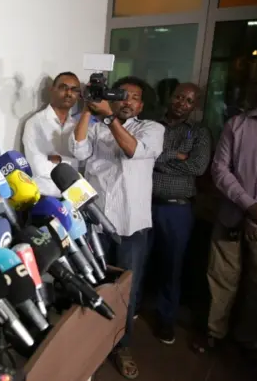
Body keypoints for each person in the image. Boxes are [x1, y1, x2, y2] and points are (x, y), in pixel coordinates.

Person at [69, 76, 164, 380]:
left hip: (130, 225)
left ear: (141, 104)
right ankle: (91, 345)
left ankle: (122, 346)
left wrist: (108, 115)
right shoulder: (97, 126)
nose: (127, 101)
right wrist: (88, 108)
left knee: (127, 291)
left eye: (133, 97)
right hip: (95, 221)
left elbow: (133, 150)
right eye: (121, 95)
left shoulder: (152, 130)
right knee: (94, 283)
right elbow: (77, 150)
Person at [201, 73, 257, 357]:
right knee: (221, 277)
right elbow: (220, 169)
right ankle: (215, 332)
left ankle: (249, 337)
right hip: (231, 216)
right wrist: (249, 205)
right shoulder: (237, 125)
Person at [147, 83, 211, 344]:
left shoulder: (199, 133)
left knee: (172, 267)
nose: (181, 103)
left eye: (188, 100)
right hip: (145, 204)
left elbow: (197, 166)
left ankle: (166, 319)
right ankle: (132, 307)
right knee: (137, 263)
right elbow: (143, 157)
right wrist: (177, 157)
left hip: (178, 208)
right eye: (178, 97)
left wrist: (158, 160)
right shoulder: (151, 126)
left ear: (194, 106)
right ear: (170, 97)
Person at [22, 72, 81, 197]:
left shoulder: (78, 126)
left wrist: (58, 159)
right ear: (52, 90)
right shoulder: (35, 123)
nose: (69, 93)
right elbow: (38, 166)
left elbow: (83, 165)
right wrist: (71, 162)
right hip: (44, 197)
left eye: (74, 90)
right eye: (63, 88)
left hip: (73, 197)